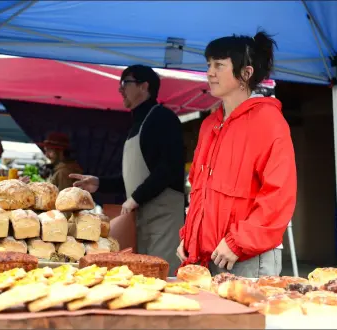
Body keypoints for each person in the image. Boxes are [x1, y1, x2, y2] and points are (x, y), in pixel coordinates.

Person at [176, 31, 297, 278]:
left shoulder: (269, 121)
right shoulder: (210, 125)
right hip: (205, 257)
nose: (210, 72)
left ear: (246, 73)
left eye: (219, 65)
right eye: (208, 64)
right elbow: (199, 189)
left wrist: (238, 242)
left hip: (249, 257)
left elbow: (278, 194)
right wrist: (189, 236)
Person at [70, 65, 185, 276]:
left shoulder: (163, 118)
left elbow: (167, 168)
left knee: (163, 275)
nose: (120, 90)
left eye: (125, 83)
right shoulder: (137, 123)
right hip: (142, 218)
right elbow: (136, 177)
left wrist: (136, 198)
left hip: (164, 219)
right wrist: (100, 183)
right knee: (145, 276)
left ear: (144, 86)